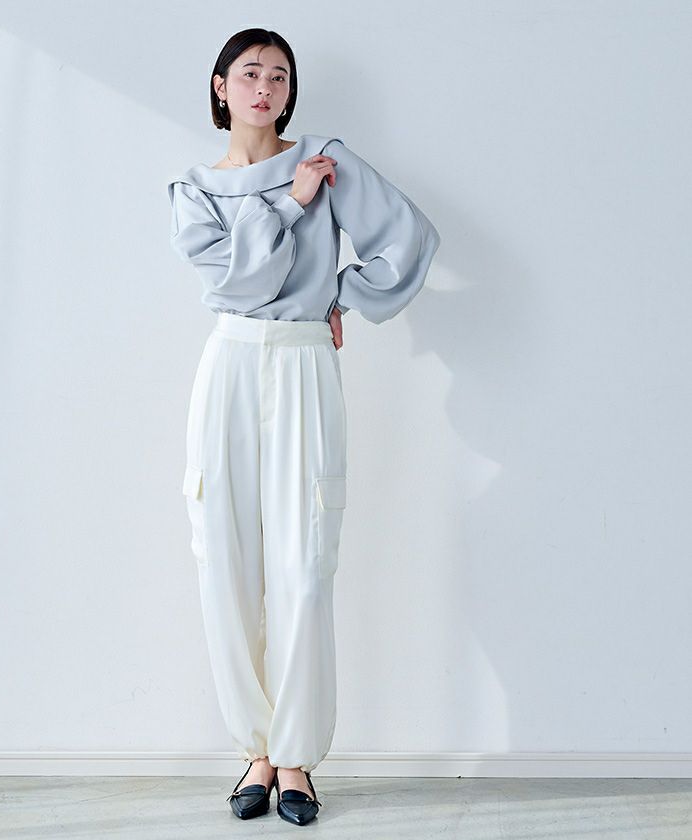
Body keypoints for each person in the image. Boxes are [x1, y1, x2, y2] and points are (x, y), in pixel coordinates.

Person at [167, 27, 441, 826]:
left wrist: (342, 293)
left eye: (280, 76)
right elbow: (237, 285)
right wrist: (290, 204)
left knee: (304, 561)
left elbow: (410, 239)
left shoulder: (325, 158)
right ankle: (256, 749)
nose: (265, 88)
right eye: (250, 73)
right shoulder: (193, 191)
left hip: (301, 361)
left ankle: (295, 760)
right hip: (228, 366)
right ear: (220, 86)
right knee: (224, 561)